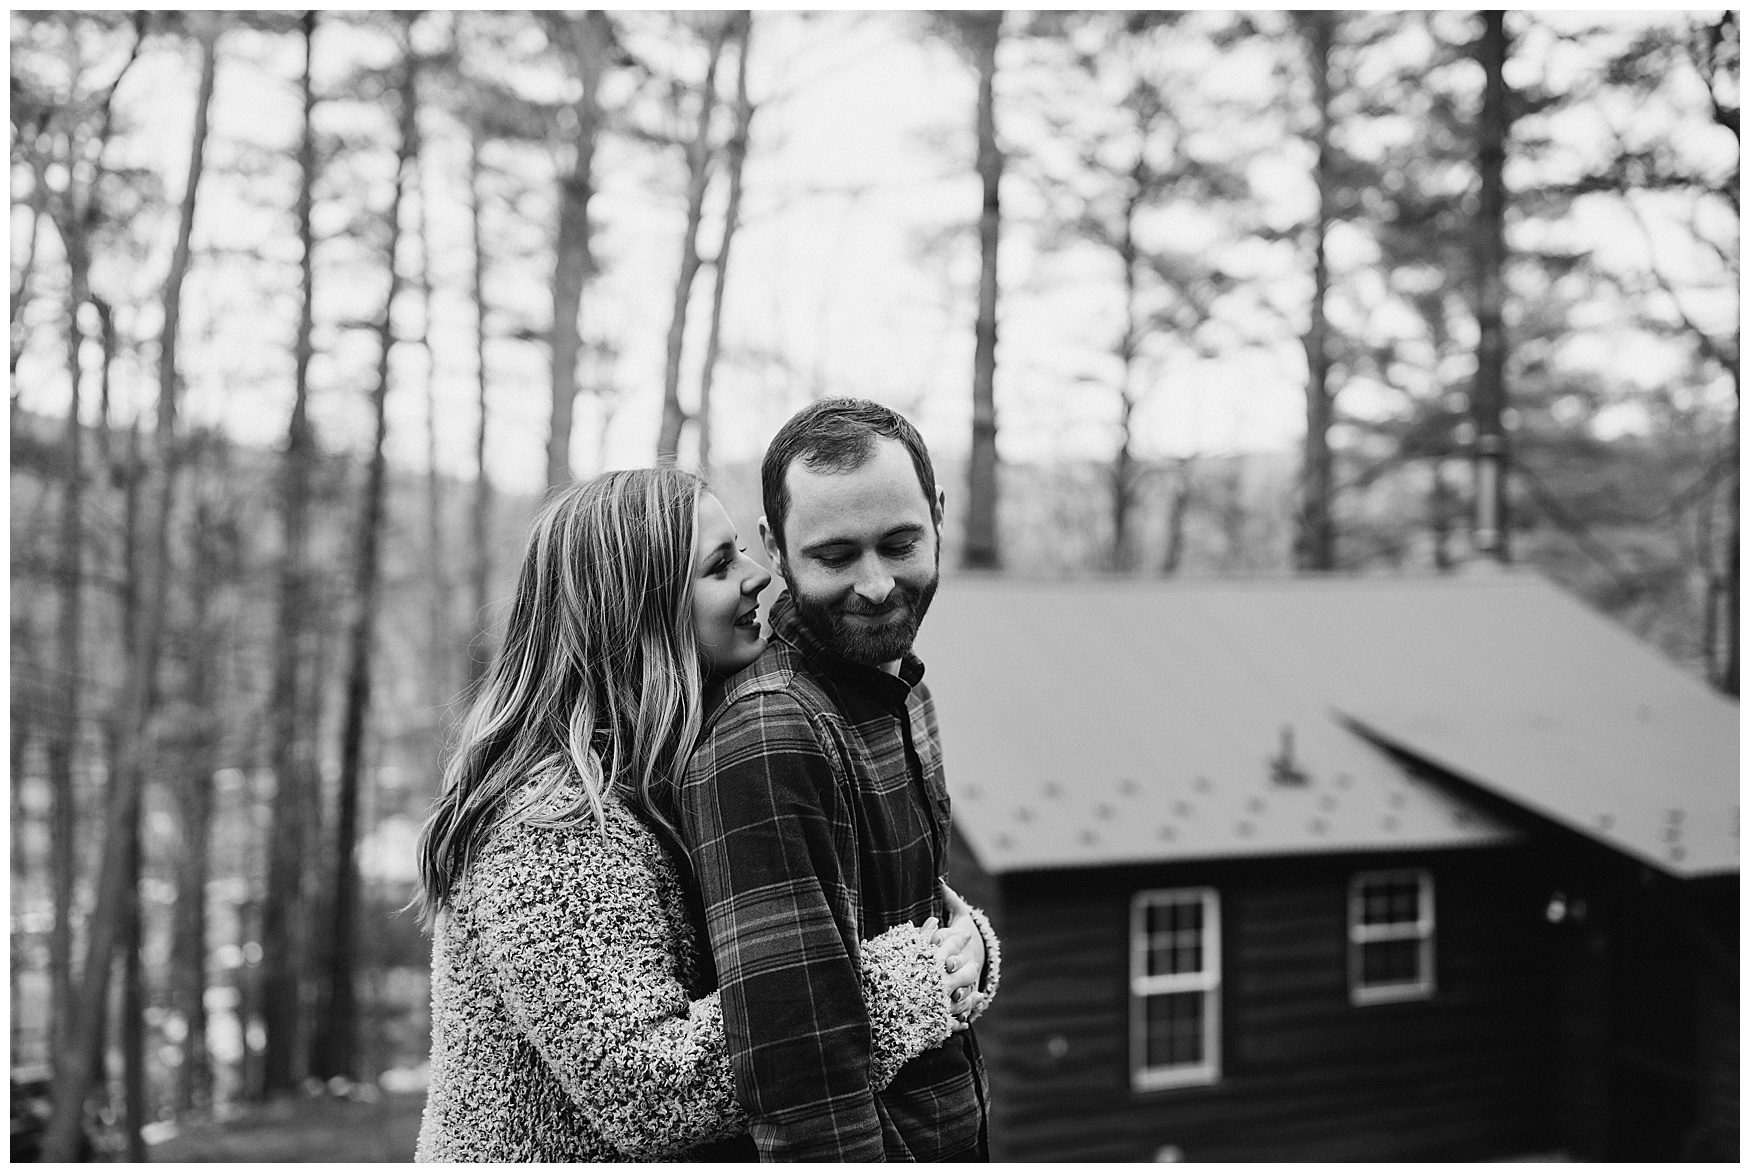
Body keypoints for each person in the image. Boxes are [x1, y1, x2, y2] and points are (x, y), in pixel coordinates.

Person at [411, 468, 976, 1162]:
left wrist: (951, 946)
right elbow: (645, 1088)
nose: (759, 576)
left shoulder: (659, 766)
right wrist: (922, 977)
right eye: (719, 565)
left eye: (741, 549)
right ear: (636, 610)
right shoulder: (549, 828)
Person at [673, 399, 1000, 1161]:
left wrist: (970, 947)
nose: (877, 584)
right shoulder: (770, 733)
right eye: (835, 555)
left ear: (938, 514)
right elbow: (803, 1080)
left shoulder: (902, 687)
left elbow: (913, 922)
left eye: (899, 543)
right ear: (776, 549)